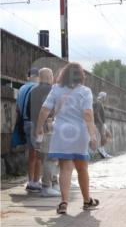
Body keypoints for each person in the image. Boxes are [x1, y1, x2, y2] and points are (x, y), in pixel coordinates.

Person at [33, 62, 100, 214]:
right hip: (79, 133)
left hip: (61, 133)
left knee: (65, 168)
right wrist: (93, 135)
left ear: (64, 74)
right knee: (82, 168)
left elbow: (45, 110)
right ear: (81, 76)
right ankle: (87, 201)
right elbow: (88, 114)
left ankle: (63, 202)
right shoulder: (85, 91)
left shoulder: (56, 89)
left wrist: (39, 128)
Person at [27, 68, 59, 197]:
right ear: (50, 76)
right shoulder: (51, 90)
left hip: (34, 126)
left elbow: (28, 110)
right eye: (52, 75)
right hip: (47, 127)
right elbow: (50, 109)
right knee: (50, 157)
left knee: (40, 156)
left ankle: (39, 182)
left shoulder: (32, 90)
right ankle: (48, 185)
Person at [17, 67, 40, 193]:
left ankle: (31, 179)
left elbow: (18, 109)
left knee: (31, 152)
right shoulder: (37, 88)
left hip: (24, 122)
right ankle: (34, 182)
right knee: (37, 154)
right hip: (34, 122)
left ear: (28, 76)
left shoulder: (21, 88)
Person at [93, 91, 111, 158]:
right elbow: (96, 113)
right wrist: (101, 123)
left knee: (108, 135)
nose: (105, 98)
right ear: (103, 97)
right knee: (104, 136)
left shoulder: (99, 103)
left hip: (101, 122)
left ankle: (102, 149)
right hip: (100, 123)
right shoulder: (99, 103)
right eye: (105, 97)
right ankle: (101, 150)